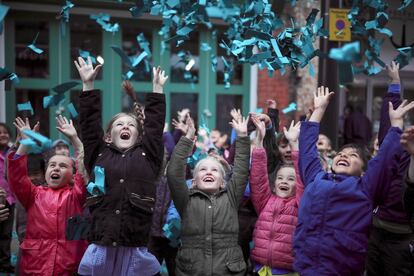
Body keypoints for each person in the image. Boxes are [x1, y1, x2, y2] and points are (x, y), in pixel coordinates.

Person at [293, 86, 414, 275]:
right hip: (306, 269)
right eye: (341, 154)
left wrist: (396, 125)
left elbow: (384, 161)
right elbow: (307, 150)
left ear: (364, 171)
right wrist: (319, 110)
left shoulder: (365, 188)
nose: (344, 156)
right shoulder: (316, 179)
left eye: (353, 155)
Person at [74, 56, 167, 275]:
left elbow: (154, 126)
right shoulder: (98, 153)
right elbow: (88, 125)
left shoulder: (148, 155)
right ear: (108, 134)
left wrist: (157, 89)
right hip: (102, 243)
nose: (125, 126)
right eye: (119, 124)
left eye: (130, 125)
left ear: (138, 134)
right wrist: (88, 85)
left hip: (135, 245)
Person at [167, 114, 250, 275]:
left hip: (227, 270)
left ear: (222, 182)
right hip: (192, 270)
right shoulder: (186, 199)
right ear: (194, 181)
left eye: (214, 170)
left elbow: (240, 170)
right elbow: (173, 173)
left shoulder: (231, 197)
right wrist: (188, 138)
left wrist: (242, 137)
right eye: (203, 169)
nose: (208, 172)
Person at [8, 117, 88, 275]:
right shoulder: (33, 194)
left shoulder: (76, 195)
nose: (56, 168)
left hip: (68, 266)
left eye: (63, 166)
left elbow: (84, 170)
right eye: (52, 165)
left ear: (73, 177)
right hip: (35, 265)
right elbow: (16, 176)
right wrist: (25, 144)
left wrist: (75, 139)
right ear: (45, 173)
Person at [365, 61, 414, 275]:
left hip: (403, 237)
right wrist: (394, 83)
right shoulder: (398, 148)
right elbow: (388, 127)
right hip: (377, 229)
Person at [250, 118, 303, 276]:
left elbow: (302, 177)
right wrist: (259, 143)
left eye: (290, 178)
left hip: (287, 271)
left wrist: (294, 146)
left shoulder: (300, 204)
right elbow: (258, 178)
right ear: (274, 184)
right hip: (261, 270)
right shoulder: (265, 201)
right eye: (280, 178)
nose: (284, 181)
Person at [0, 122, 16, 273]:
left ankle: (5, 263)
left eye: (5, 132)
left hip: (9, 199)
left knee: (6, 233)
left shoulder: (10, 154)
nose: (3, 135)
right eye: (0, 133)